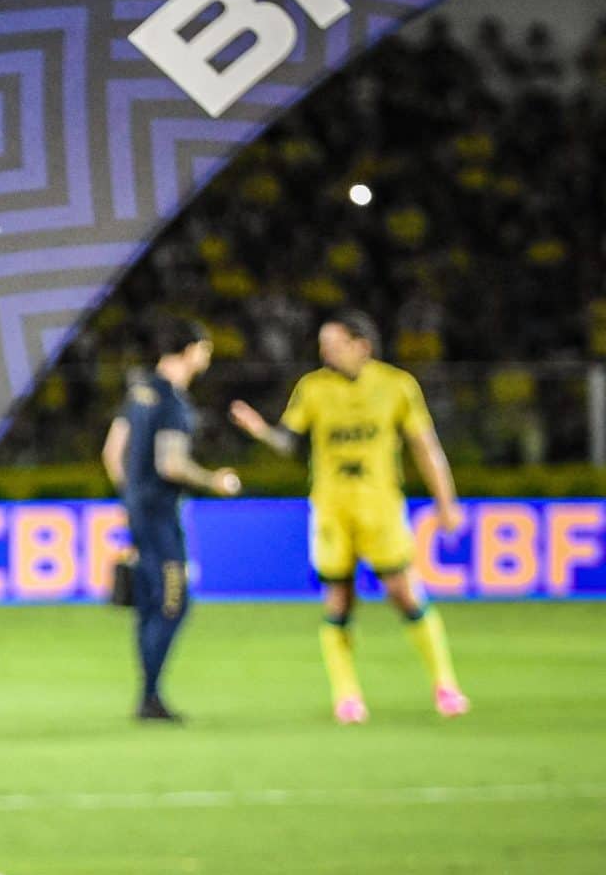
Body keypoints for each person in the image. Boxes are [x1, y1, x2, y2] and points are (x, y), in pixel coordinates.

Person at [231, 310, 468, 723]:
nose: (326, 352)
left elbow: (424, 445)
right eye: (323, 344)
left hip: (381, 506)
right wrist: (260, 430)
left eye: (334, 344)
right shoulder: (312, 388)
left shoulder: (397, 385)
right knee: (339, 599)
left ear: (362, 345)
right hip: (331, 509)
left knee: (403, 592)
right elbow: (290, 443)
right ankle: (347, 695)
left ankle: (445, 684)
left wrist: (446, 501)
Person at [101, 315, 241, 722]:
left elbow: (111, 453)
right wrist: (214, 481)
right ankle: (150, 697)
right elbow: (171, 464)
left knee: (149, 604)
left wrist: (130, 498)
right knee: (173, 603)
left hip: (139, 513)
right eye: (205, 349)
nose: (207, 357)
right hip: (161, 517)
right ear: (191, 350)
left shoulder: (139, 392)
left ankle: (149, 695)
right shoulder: (173, 403)